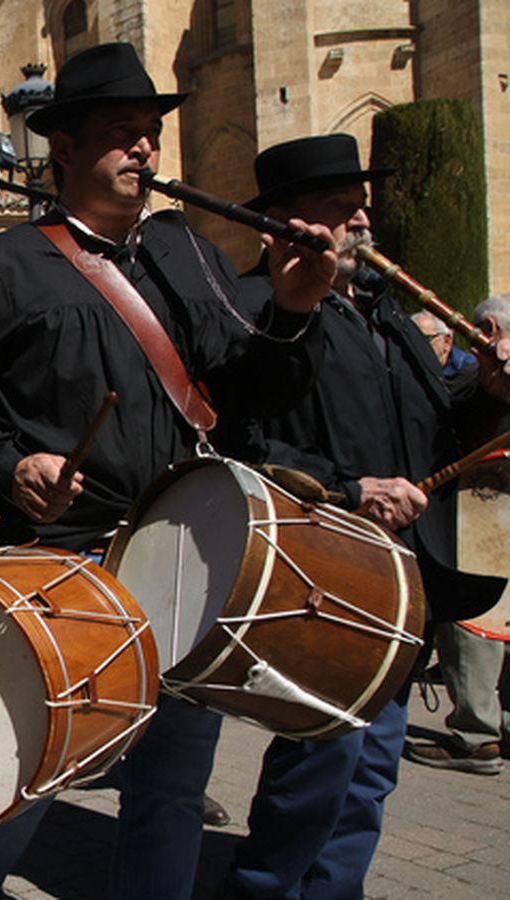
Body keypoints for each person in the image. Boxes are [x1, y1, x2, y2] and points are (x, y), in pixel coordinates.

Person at [0, 42, 337, 900]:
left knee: (169, 791)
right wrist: (14, 466)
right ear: (67, 149)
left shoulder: (184, 253)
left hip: (188, 562)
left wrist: (296, 310)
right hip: (69, 570)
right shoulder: (4, 265)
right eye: (122, 132)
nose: (145, 149)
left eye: (151, 133)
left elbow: (247, 397)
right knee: (34, 776)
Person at [220, 134, 510, 897]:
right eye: (338, 210)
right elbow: (240, 443)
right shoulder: (256, 312)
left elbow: (436, 429)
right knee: (316, 772)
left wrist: (488, 394)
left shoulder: (388, 319)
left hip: (404, 582)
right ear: (281, 225)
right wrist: (352, 490)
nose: (360, 224)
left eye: (361, 208)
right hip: (326, 578)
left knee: (369, 776)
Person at [403, 294, 510, 776]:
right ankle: (481, 732)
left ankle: (477, 736)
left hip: (486, 523)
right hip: (480, 520)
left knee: (478, 623)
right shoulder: (476, 381)